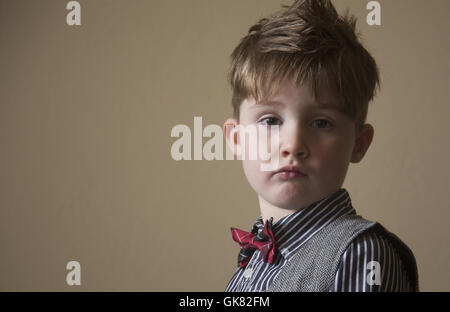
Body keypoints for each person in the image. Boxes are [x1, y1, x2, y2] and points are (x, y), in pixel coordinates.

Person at [222, 0, 419, 292]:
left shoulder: (360, 256)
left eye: (321, 123)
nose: (292, 145)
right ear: (236, 139)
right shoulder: (252, 262)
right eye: (270, 120)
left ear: (358, 144)